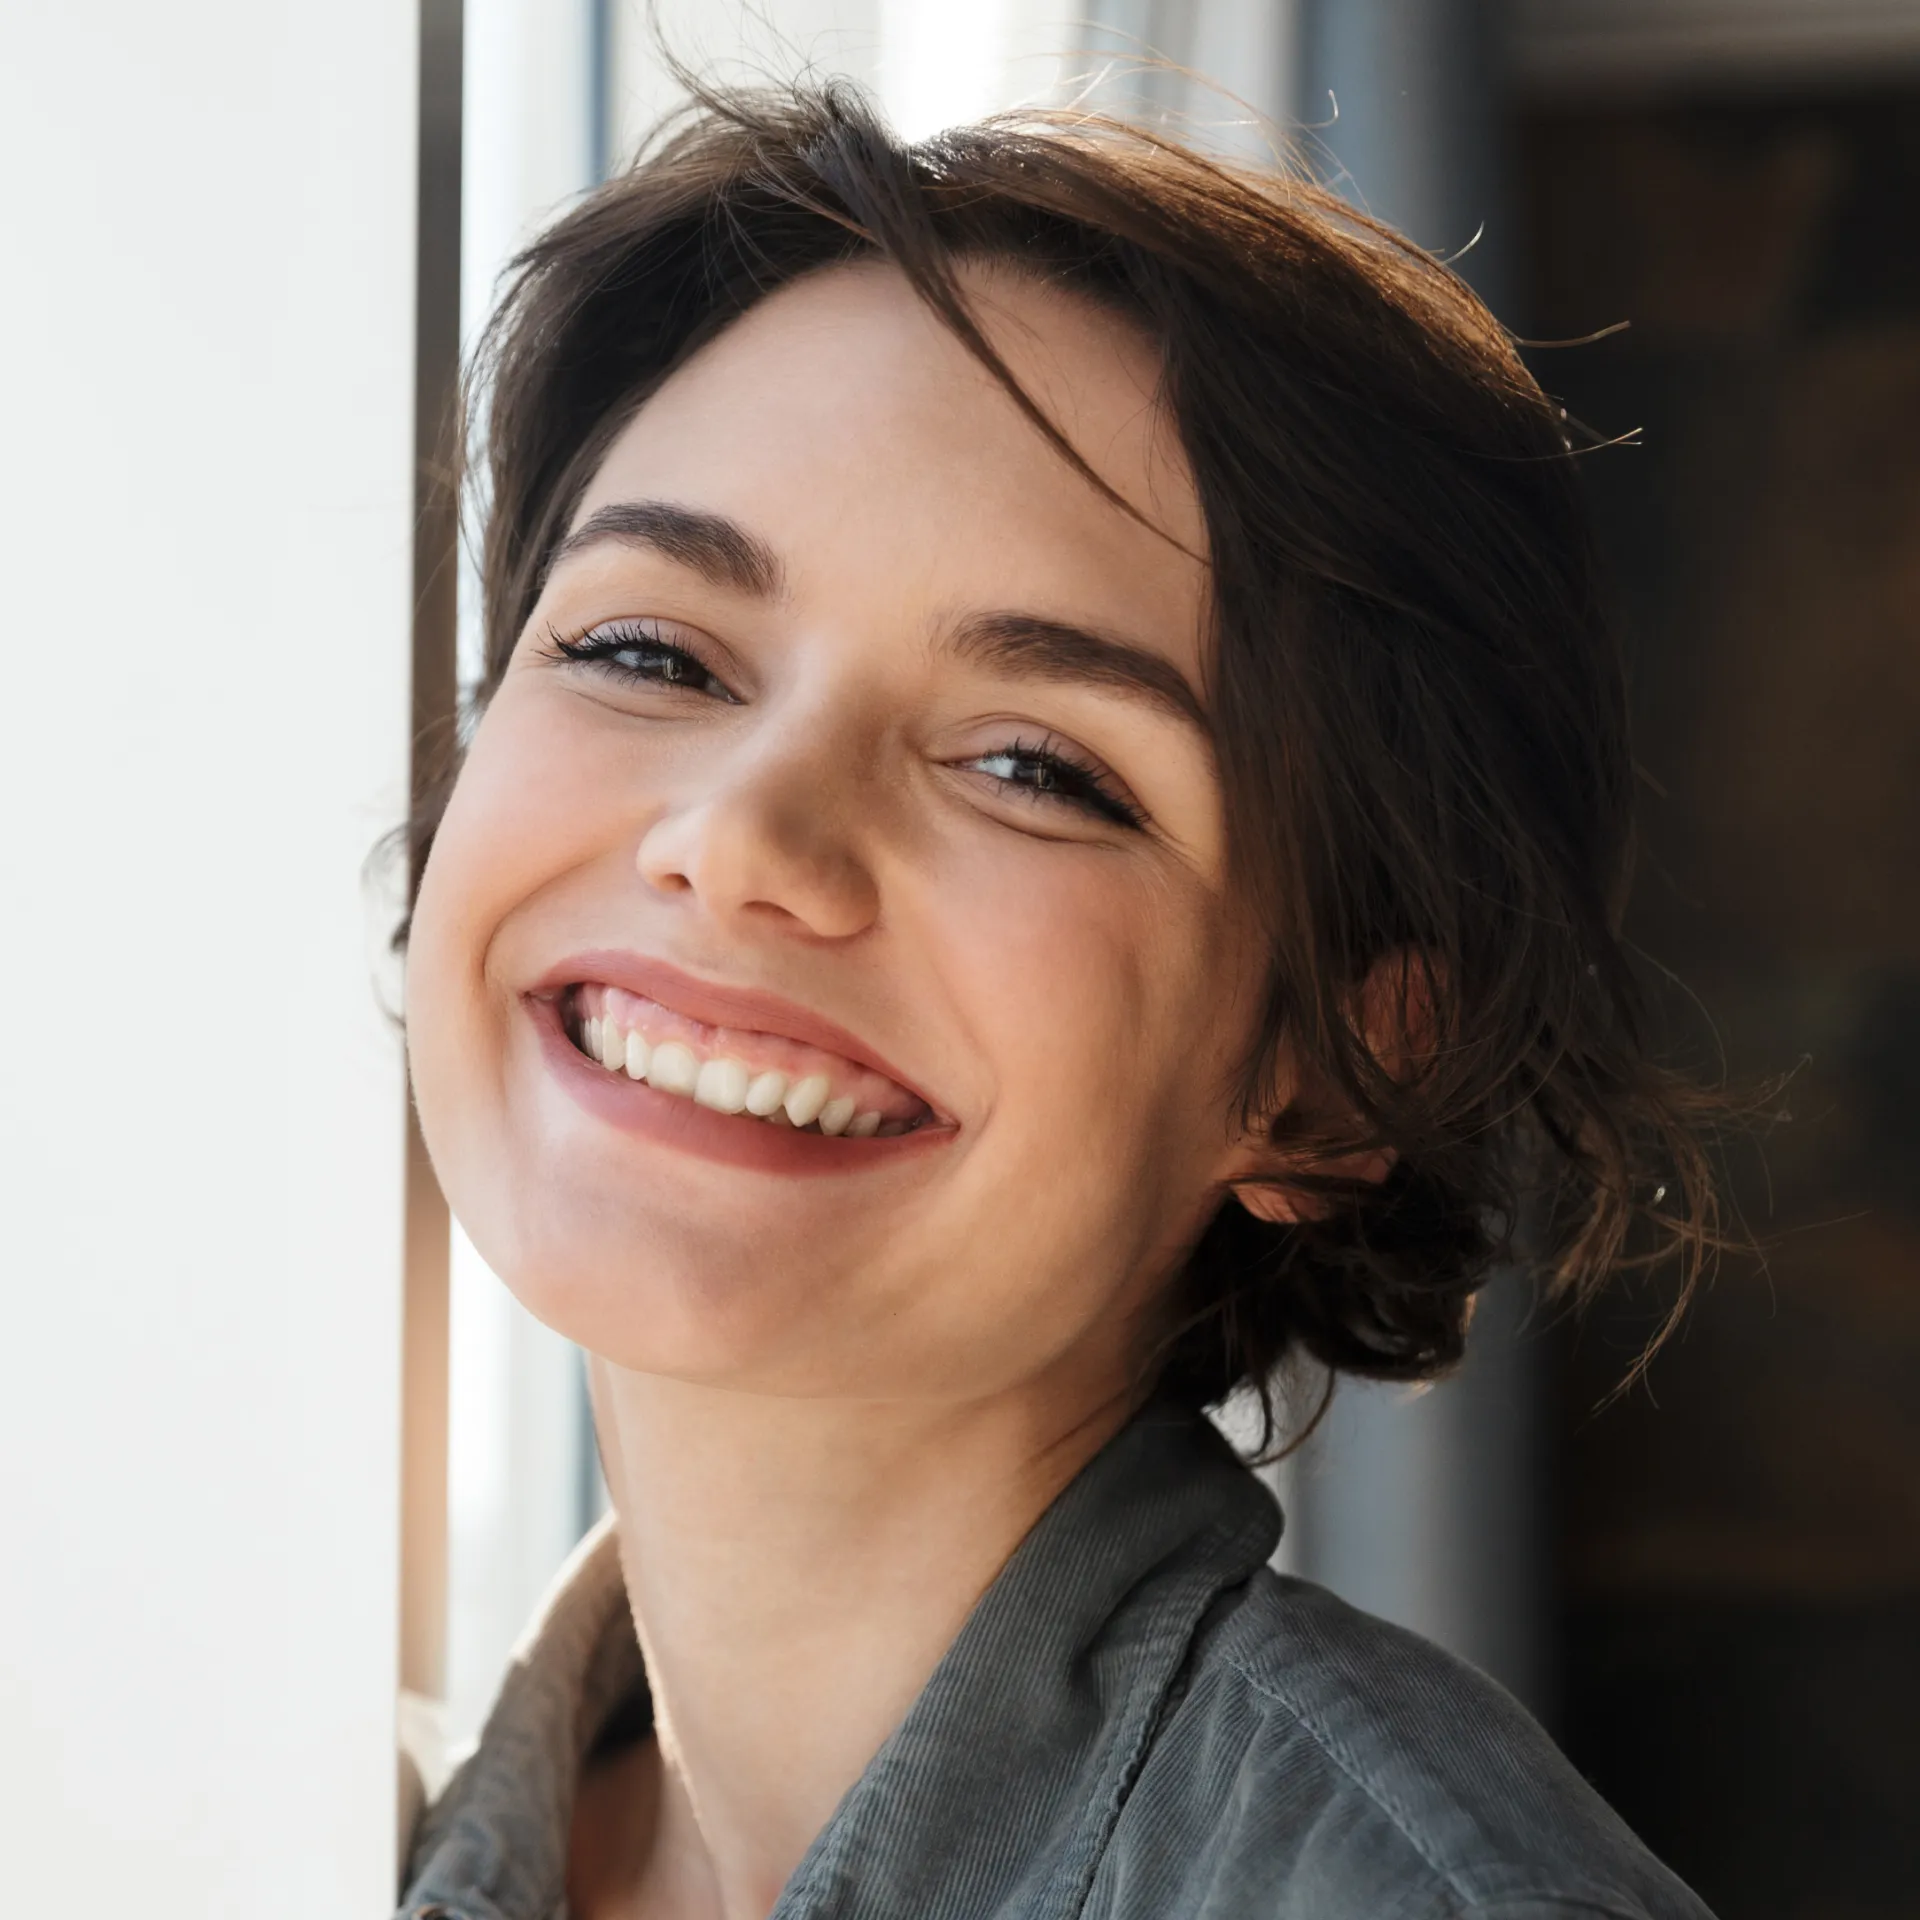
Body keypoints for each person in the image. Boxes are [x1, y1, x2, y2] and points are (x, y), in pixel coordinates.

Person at [397, 78, 1724, 1920]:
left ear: (1329, 1076)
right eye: (645, 650)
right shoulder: (338, 1827)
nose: (748, 836)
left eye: (1035, 766)